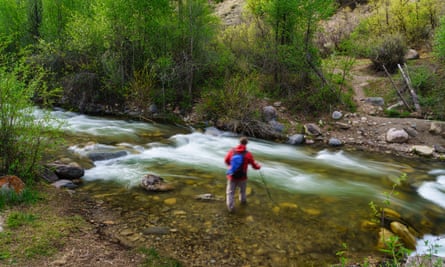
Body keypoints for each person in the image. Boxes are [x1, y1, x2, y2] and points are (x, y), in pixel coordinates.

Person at [224, 136, 261, 212]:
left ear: (239, 142)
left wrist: (231, 166)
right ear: (246, 144)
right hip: (242, 177)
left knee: (230, 192)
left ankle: (231, 208)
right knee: (242, 191)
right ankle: (243, 203)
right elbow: (254, 166)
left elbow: (226, 160)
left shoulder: (232, 151)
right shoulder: (248, 154)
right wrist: (258, 166)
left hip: (232, 176)